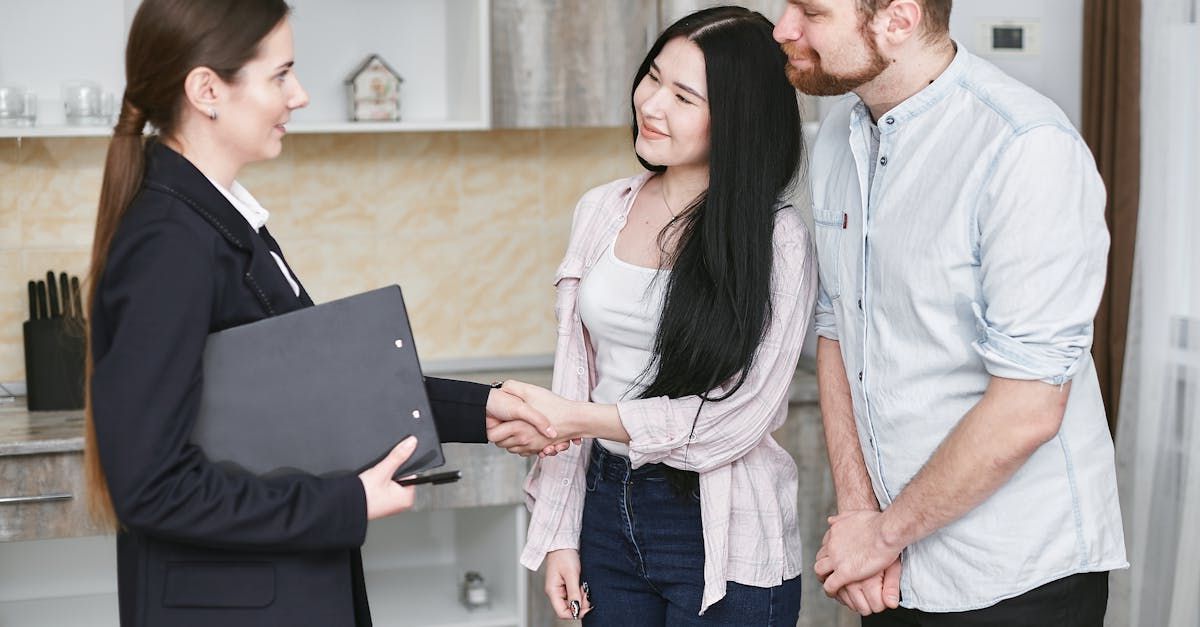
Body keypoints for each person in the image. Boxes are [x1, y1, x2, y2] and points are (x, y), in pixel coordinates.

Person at [83, 1, 551, 625]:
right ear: (207, 90)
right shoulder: (170, 242)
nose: (299, 95)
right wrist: (346, 500)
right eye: (280, 75)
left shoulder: (223, 224)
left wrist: (483, 410)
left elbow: (319, 395)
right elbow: (153, 489)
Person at [772, 0, 1128, 623]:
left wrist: (881, 536)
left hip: (1016, 574)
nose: (783, 28)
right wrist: (859, 513)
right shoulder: (838, 134)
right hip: (892, 566)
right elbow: (837, 325)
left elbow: (1028, 408)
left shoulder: (1024, 147)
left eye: (812, 11)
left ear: (900, 21)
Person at [486, 6, 815, 624]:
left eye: (684, 96)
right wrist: (561, 532)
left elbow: (739, 420)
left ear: (737, 120)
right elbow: (574, 374)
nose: (652, 103)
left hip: (722, 528)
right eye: (653, 77)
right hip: (605, 510)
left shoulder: (775, 239)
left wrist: (574, 418)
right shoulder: (602, 208)